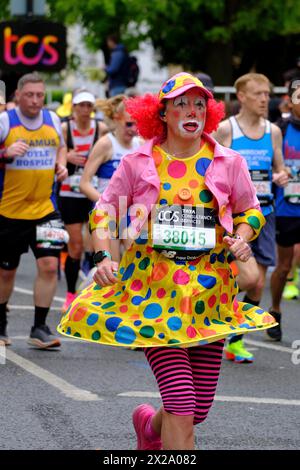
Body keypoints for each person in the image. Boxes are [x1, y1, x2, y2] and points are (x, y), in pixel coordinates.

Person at [57, 72, 276, 450]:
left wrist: (242, 238)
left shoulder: (228, 161)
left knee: (197, 409)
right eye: (181, 103)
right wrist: (103, 255)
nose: (191, 110)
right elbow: (105, 211)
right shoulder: (139, 161)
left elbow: (251, 212)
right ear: (161, 114)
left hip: (211, 300)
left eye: (198, 104)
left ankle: (148, 427)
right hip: (153, 299)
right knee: (181, 405)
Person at [213, 73, 288, 362]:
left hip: (265, 214)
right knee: (250, 277)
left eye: (267, 94)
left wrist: (281, 176)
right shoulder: (225, 130)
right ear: (241, 97)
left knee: (257, 284)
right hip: (232, 218)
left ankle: (234, 342)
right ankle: (213, 308)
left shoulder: (273, 132)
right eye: (258, 94)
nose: (264, 99)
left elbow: (279, 167)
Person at [0, 72, 68, 348]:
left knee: (50, 266)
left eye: (40, 95)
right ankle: (1, 324)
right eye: (30, 95)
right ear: (18, 95)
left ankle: (39, 327)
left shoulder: (53, 120)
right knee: (6, 272)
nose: (36, 100)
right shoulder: (5, 121)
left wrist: (61, 165)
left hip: (45, 209)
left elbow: (61, 148)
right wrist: (5, 154)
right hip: (9, 212)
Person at [58, 90, 108, 311]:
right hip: (69, 192)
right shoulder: (65, 129)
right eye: (81, 106)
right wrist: (66, 157)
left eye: (89, 105)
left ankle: (90, 288)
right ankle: (70, 293)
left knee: (94, 244)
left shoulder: (101, 129)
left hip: (93, 192)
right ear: (74, 108)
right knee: (75, 246)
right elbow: (55, 155)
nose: (85, 110)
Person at [79, 94, 141, 261]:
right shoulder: (106, 144)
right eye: (128, 124)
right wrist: (107, 203)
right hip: (109, 213)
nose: (133, 129)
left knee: (133, 265)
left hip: (132, 212)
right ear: (116, 119)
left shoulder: (139, 145)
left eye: (137, 124)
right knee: (113, 268)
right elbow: (84, 184)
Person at [269, 78, 300, 339]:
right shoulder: (280, 129)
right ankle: (275, 310)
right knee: (284, 267)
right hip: (287, 209)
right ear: (291, 101)